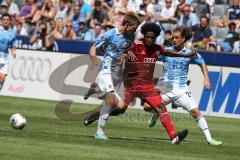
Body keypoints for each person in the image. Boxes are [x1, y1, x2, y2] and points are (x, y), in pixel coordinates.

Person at [84, 22, 196, 144]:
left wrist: (185, 55)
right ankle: (95, 116)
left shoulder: (157, 48)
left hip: (148, 87)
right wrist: (127, 54)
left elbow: (168, 53)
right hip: (130, 86)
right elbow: (126, 49)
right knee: (119, 110)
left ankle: (174, 136)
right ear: (144, 35)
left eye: (152, 37)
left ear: (156, 37)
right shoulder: (136, 44)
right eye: (147, 37)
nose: (149, 39)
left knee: (161, 108)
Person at [145, 26, 222, 146]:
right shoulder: (166, 51)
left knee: (196, 112)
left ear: (184, 39)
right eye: (173, 38)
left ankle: (209, 139)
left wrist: (206, 78)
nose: (174, 40)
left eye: (176, 38)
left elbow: (202, 63)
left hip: (181, 89)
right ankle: (156, 112)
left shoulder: (190, 53)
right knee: (146, 107)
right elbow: (150, 57)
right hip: (165, 86)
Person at [88, 12, 140, 140]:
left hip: (117, 74)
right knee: (116, 102)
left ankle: (96, 89)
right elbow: (93, 47)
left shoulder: (131, 35)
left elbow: (126, 49)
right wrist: (94, 60)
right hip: (105, 71)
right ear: (127, 25)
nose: (135, 30)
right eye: (134, 27)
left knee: (119, 107)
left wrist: (127, 54)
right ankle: (99, 133)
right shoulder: (110, 34)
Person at [0, 13, 17, 90]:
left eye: (7, 20)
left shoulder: (13, 33)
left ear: (10, 21)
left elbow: (12, 44)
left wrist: (13, 51)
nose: (6, 21)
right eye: (4, 20)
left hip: (5, 57)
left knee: (2, 79)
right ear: (1, 21)